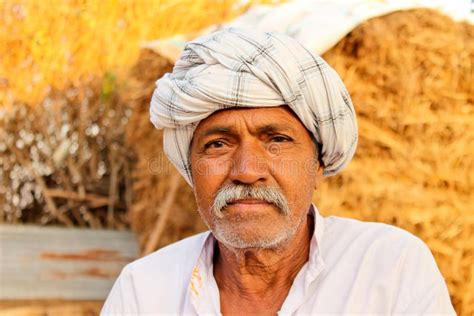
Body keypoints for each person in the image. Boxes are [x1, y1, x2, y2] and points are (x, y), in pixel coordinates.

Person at [101, 28, 454, 315]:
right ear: (191, 169)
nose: (247, 171)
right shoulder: (145, 291)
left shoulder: (388, 268)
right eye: (218, 145)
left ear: (317, 165)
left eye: (277, 140)